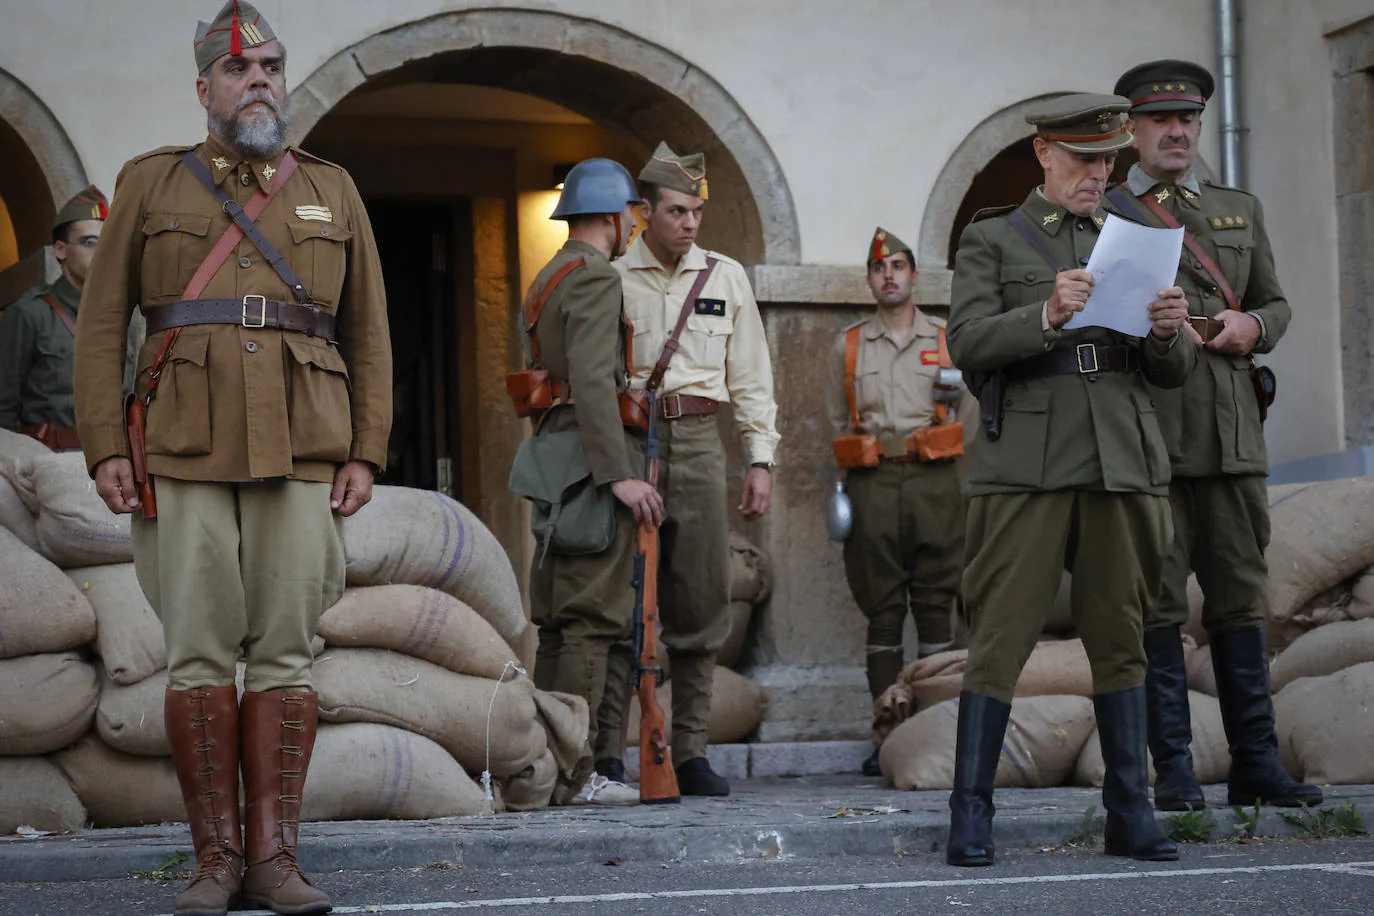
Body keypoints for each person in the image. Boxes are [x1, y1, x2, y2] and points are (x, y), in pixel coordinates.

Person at [72, 3, 392, 914]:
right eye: (241, 70)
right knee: (200, 655)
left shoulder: (333, 188)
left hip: (304, 445)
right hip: (180, 447)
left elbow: (368, 330)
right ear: (204, 86)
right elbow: (101, 331)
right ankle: (214, 861)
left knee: (286, 656)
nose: (261, 82)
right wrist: (104, 446)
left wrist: (366, 448)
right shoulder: (150, 184)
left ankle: (276, 861)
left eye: (273, 69)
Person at [945, 93, 1195, 866]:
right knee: (1001, 638)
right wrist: (1045, 315)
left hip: (1120, 458)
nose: (1099, 174)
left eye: (1109, 160)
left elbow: (1170, 370)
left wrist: (1169, 332)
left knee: (1123, 637)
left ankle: (1131, 810)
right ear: (1045, 154)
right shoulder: (993, 238)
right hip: (1028, 464)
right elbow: (966, 343)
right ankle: (971, 814)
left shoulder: (1137, 237)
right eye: (1085, 159)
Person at [1112, 60, 1320, 812]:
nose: (1176, 132)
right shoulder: (1108, 214)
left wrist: (1252, 325)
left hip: (1231, 440)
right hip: (1150, 442)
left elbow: (1276, 301)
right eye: (1160, 120)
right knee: (1160, 606)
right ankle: (1174, 770)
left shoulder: (1238, 209)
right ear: (1132, 128)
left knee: (1239, 603)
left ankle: (1256, 764)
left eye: (1188, 120)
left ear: (1200, 125)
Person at [596, 142, 780, 797]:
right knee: (624, 603)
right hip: (633, 441)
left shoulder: (725, 277)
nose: (690, 224)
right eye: (676, 211)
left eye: (697, 211)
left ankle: (693, 751)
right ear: (644, 213)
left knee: (701, 601)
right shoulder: (614, 277)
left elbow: (752, 377)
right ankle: (608, 755)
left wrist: (760, 459)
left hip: (703, 442)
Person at [515, 157, 664, 807]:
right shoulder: (598, 277)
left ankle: (543, 763)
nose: (633, 224)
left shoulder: (551, 274)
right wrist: (620, 476)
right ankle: (579, 772)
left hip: (554, 455)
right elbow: (598, 386)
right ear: (613, 216)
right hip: (591, 459)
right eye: (632, 213)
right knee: (593, 618)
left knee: (558, 618)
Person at [826, 227, 973, 777]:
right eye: (879, 268)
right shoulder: (848, 345)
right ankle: (885, 735)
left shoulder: (946, 338)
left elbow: (972, 418)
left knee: (937, 607)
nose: (889, 275)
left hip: (936, 481)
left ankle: (935, 734)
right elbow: (834, 418)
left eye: (899, 267)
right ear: (869, 279)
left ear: (915, 276)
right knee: (883, 613)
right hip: (874, 483)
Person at [0, 187, 108, 447]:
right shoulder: (29, 313)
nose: (102, 253)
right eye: (90, 243)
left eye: (108, 244)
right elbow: (3, 411)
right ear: (60, 250)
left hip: (113, 468)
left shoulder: (118, 319)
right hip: (47, 463)